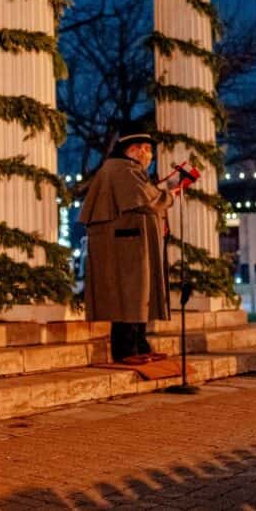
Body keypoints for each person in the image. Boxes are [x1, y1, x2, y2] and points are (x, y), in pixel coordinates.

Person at [79, 124, 178, 363]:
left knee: (139, 294)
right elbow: (147, 199)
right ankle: (126, 350)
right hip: (126, 245)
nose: (148, 155)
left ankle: (140, 344)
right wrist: (169, 195)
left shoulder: (129, 170)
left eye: (149, 149)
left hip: (133, 243)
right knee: (130, 295)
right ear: (131, 150)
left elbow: (145, 196)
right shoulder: (121, 169)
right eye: (144, 149)